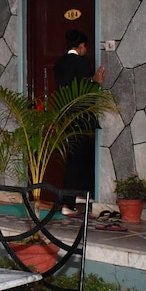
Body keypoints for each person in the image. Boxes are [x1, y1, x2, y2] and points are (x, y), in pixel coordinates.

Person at [53, 29, 105, 214]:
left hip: (65, 118)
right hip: (80, 118)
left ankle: (78, 195)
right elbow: (84, 92)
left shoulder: (60, 64)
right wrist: (96, 82)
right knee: (77, 161)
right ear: (81, 46)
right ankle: (68, 203)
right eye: (85, 47)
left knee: (79, 157)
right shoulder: (81, 62)